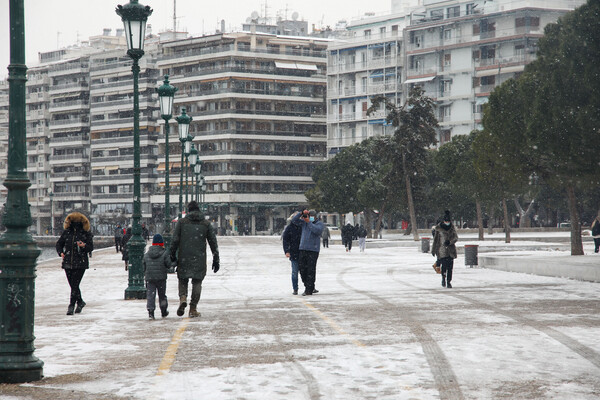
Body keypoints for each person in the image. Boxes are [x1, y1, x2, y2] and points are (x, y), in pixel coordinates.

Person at [170, 201, 219, 318]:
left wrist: (172, 254)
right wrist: (216, 258)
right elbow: (213, 242)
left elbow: (175, 240)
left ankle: (182, 297)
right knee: (197, 281)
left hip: (184, 257)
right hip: (199, 258)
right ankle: (193, 308)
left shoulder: (181, 223)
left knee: (182, 279)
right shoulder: (206, 224)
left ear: (189, 210)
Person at [56, 211, 94, 315]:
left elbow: (91, 247)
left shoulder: (85, 233)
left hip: (80, 262)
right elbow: (59, 244)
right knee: (73, 285)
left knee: (74, 284)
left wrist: (83, 246)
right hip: (68, 262)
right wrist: (61, 253)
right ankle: (80, 302)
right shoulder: (67, 232)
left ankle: (71, 305)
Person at [292, 209, 324, 296]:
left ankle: (309, 289)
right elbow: (293, 220)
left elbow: (316, 231)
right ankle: (308, 285)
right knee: (302, 269)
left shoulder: (319, 224)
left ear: (316, 217)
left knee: (310, 269)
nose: (310, 218)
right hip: (303, 248)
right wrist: (301, 213)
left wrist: (309, 222)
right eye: (309, 216)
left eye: (312, 217)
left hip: (313, 250)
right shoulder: (303, 223)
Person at [143, 234, 172, 320]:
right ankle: (163, 311)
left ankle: (151, 312)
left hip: (150, 278)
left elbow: (143, 267)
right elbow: (168, 265)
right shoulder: (164, 253)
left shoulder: (147, 254)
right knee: (162, 295)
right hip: (161, 278)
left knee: (151, 295)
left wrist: (147, 273)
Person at [431, 210, 458, 288]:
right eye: (446, 221)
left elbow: (456, 238)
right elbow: (435, 240)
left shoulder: (452, 228)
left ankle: (449, 281)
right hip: (442, 250)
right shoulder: (438, 229)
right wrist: (433, 250)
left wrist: (450, 242)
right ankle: (443, 278)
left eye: (448, 221)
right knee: (444, 267)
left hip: (451, 250)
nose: (447, 222)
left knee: (450, 268)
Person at [282, 212, 302, 295]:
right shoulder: (289, 228)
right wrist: (287, 251)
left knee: (306, 272)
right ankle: (295, 288)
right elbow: (285, 240)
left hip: (304, 252)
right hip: (294, 253)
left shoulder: (303, 226)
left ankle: (309, 287)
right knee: (294, 272)